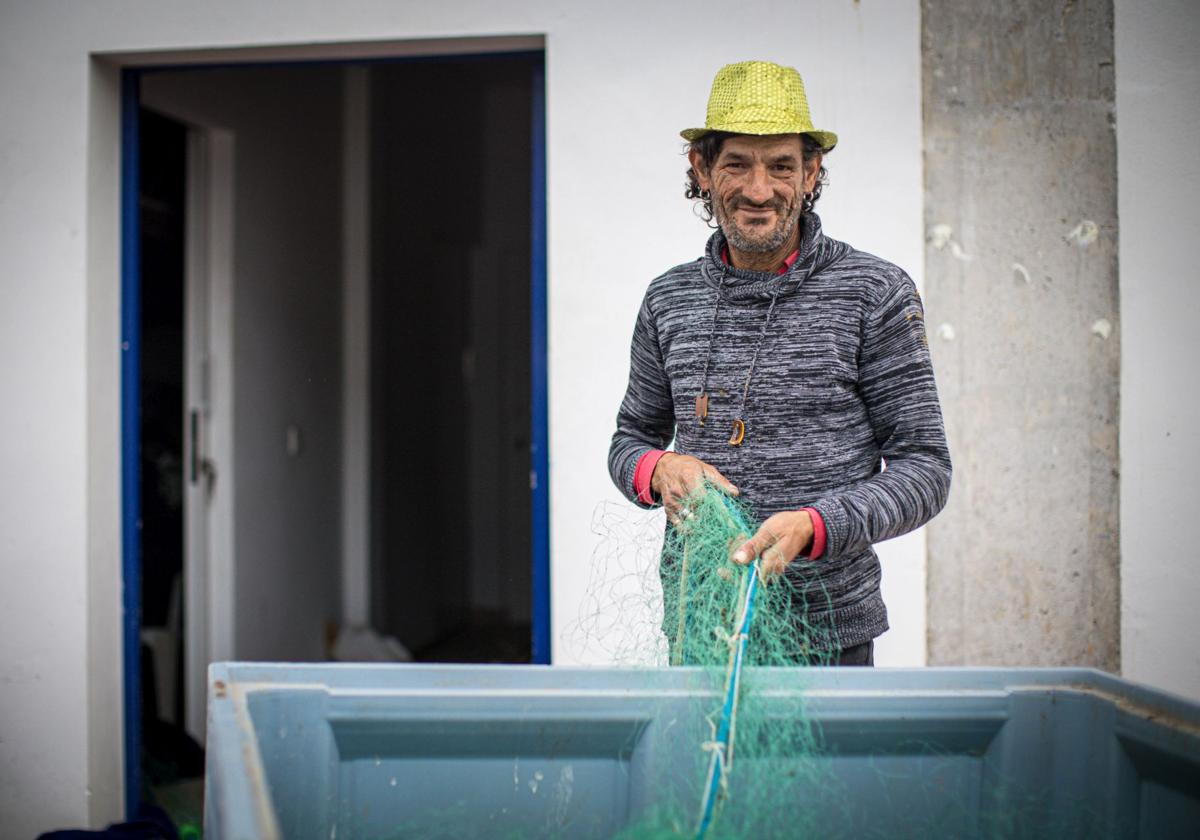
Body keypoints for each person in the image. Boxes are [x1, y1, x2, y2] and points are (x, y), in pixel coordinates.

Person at [607, 61, 952, 666]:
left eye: (782, 166)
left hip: (829, 637)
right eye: (737, 163)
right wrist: (659, 469)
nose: (759, 189)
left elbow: (926, 470)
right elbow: (629, 442)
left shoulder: (875, 292)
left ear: (812, 172)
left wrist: (816, 525)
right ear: (702, 169)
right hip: (699, 626)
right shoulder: (669, 298)